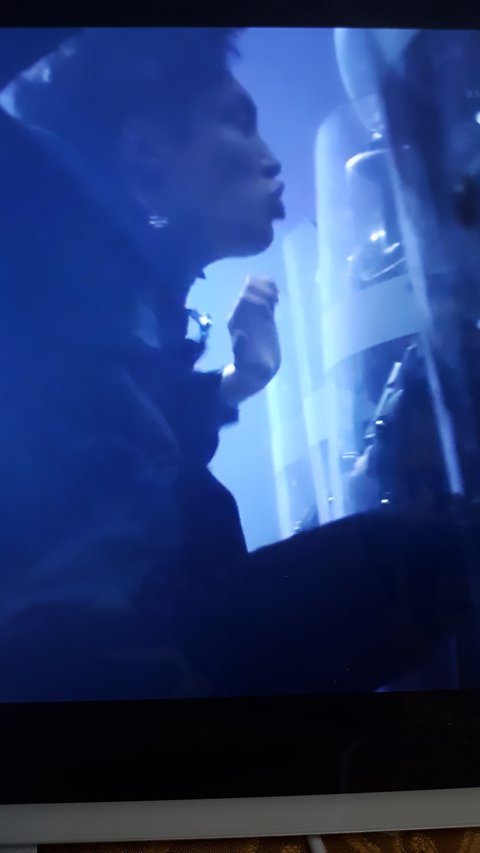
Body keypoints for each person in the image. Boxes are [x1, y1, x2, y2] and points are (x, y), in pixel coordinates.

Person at [0, 27, 469, 701]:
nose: (271, 158)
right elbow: (103, 613)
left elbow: (126, 455)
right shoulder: (34, 263)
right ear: (147, 153)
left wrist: (236, 385)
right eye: (237, 121)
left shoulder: (119, 314)